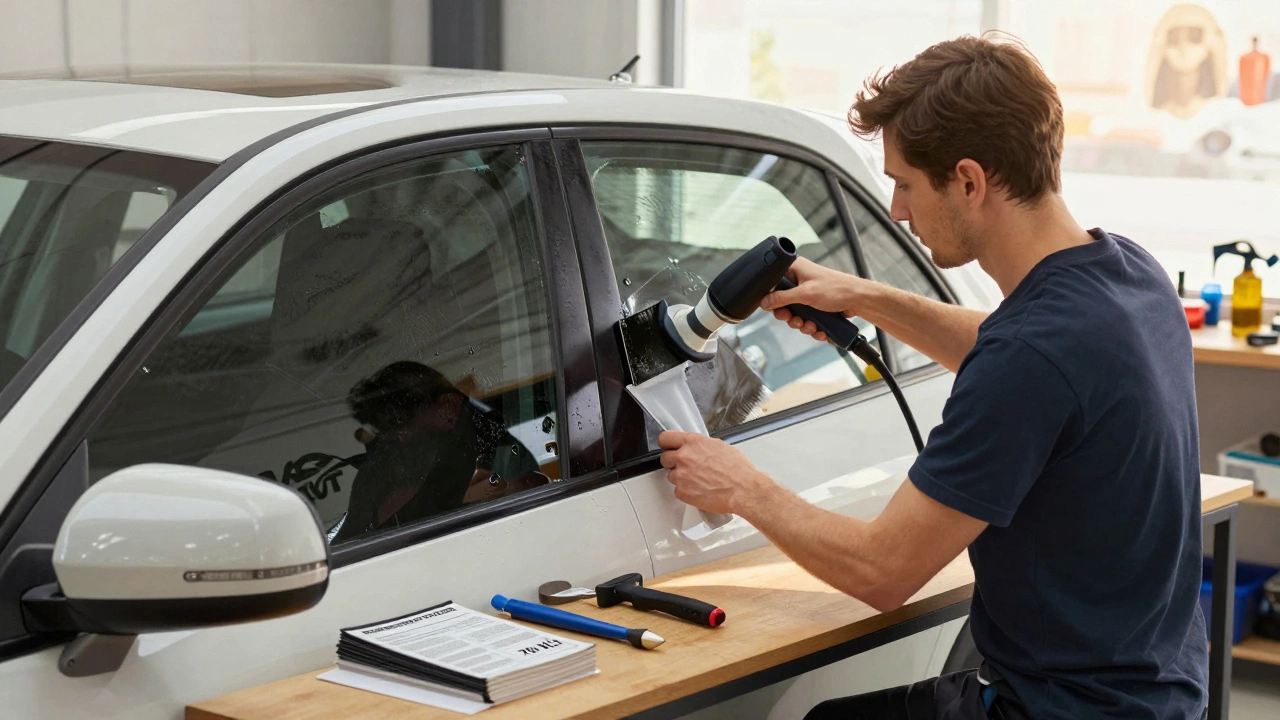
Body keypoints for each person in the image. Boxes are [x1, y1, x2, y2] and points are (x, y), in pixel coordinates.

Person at [658, 36, 1207, 719]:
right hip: (1158, 693)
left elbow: (883, 573)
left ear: (970, 181)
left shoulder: (1030, 359)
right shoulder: (1130, 275)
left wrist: (741, 487)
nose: (896, 210)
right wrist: (868, 297)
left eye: (905, 183)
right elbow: (1021, 352)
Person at [332, 361, 544, 543]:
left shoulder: (503, 463)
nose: (393, 437)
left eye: (401, 419)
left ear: (449, 409)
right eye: (382, 426)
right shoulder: (373, 477)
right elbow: (345, 544)